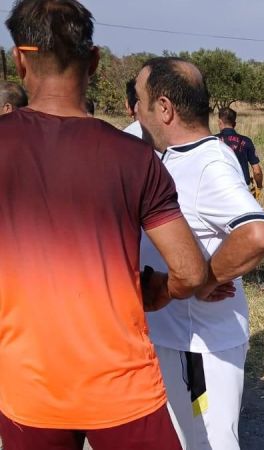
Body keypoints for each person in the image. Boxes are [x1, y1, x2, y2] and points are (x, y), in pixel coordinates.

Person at [0, 1, 207, 449]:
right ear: (93, 60)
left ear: (18, 59)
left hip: (27, 387)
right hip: (121, 387)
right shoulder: (134, 157)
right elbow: (190, 271)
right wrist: (158, 287)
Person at [136, 56, 264, 450]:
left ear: (164, 108)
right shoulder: (178, 153)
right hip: (176, 338)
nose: (134, 110)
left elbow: (258, 233)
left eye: (140, 100)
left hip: (197, 345)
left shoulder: (207, 163)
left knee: (207, 444)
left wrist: (205, 280)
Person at [216, 107, 263, 199]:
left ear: (220, 122)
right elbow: (257, 171)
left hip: (219, 189)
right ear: (235, 124)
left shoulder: (213, 141)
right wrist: (259, 187)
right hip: (242, 190)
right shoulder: (246, 141)